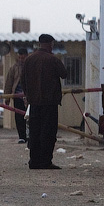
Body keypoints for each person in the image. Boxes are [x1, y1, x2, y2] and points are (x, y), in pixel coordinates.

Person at [21, 34, 67, 170]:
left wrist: (27, 96)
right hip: (49, 103)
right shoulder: (53, 59)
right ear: (51, 44)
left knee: (34, 132)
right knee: (48, 132)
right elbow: (64, 74)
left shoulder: (29, 60)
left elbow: (23, 80)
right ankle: (45, 161)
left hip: (34, 103)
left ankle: (34, 161)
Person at [4, 47, 28, 144]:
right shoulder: (14, 68)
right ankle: (21, 136)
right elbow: (9, 83)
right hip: (17, 96)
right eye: (20, 58)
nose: (21, 60)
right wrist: (7, 97)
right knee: (19, 117)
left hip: (29, 97)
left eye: (23, 58)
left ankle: (29, 135)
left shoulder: (31, 67)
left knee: (29, 117)